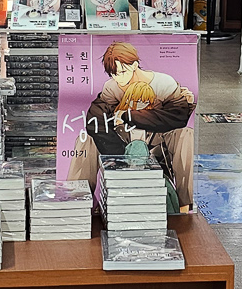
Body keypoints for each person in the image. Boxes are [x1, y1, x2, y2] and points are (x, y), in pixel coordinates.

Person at [66, 40, 197, 209]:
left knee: (186, 134)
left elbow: (178, 117)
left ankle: (185, 204)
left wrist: (129, 116)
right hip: (122, 143)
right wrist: (120, 153)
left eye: (122, 72)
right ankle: (76, 201)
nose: (118, 78)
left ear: (134, 65)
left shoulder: (164, 83)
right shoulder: (112, 87)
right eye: (113, 74)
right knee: (86, 139)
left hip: (157, 143)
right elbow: (94, 120)